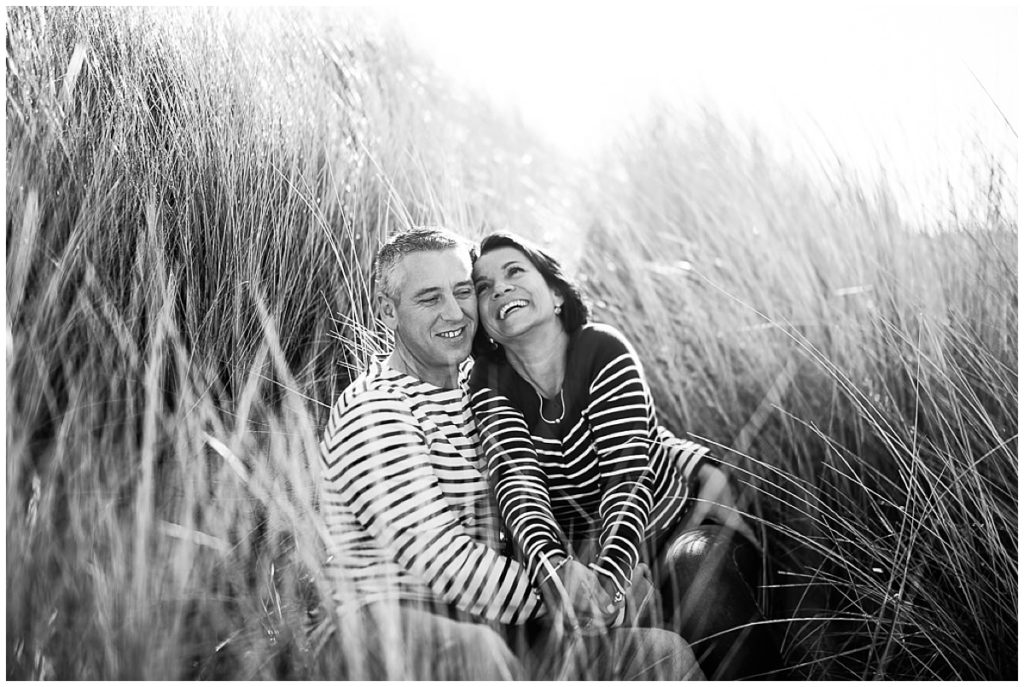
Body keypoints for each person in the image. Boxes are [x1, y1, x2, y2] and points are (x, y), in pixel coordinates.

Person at [318, 227, 703, 680]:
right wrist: (577, 593)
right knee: (479, 652)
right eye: (429, 299)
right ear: (388, 311)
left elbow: (596, 434)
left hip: (502, 620)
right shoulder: (376, 409)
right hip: (383, 628)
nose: (454, 312)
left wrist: (688, 461)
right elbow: (442, 559)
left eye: (463, 292)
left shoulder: (483, 387)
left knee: (660, 655)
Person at [468, 231, 787, 680]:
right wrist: (557, 572)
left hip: (677, 526)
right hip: (585, 557)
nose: (499, 287)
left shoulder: (602, 349)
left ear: (556, 294)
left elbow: (627, 479)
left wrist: (611, 578)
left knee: (696, 576)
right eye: (483, 286)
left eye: (515, 271)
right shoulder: (488, 380)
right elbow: (517, 485)